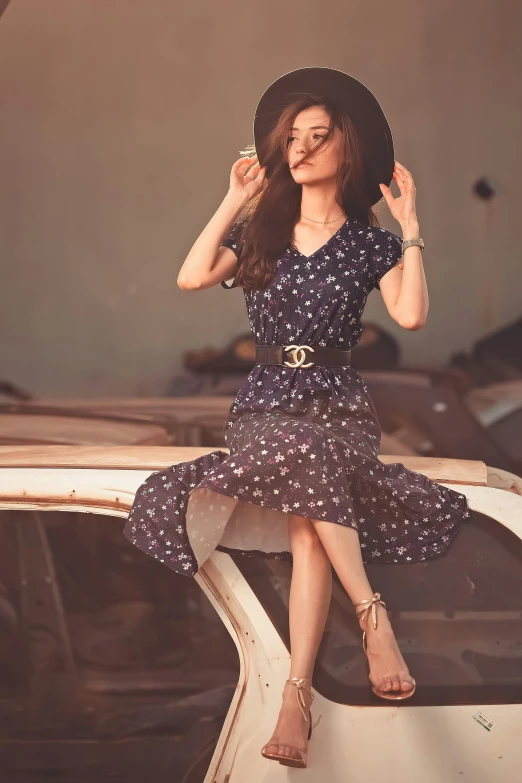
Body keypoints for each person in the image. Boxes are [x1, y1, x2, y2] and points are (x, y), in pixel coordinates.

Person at [124, 68, 471, 770]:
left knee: (312, 536)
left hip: (340, 402)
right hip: (267, 402)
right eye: (293, 138)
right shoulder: (263, 230)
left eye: (319, 137)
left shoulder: (372, 244)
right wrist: (231, 198)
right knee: (309, 465)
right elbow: (191, 276)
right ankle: (373, 616)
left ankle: (296, 695)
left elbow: (409, 314)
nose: (303, 149)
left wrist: (411, 228)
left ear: (348, 152)